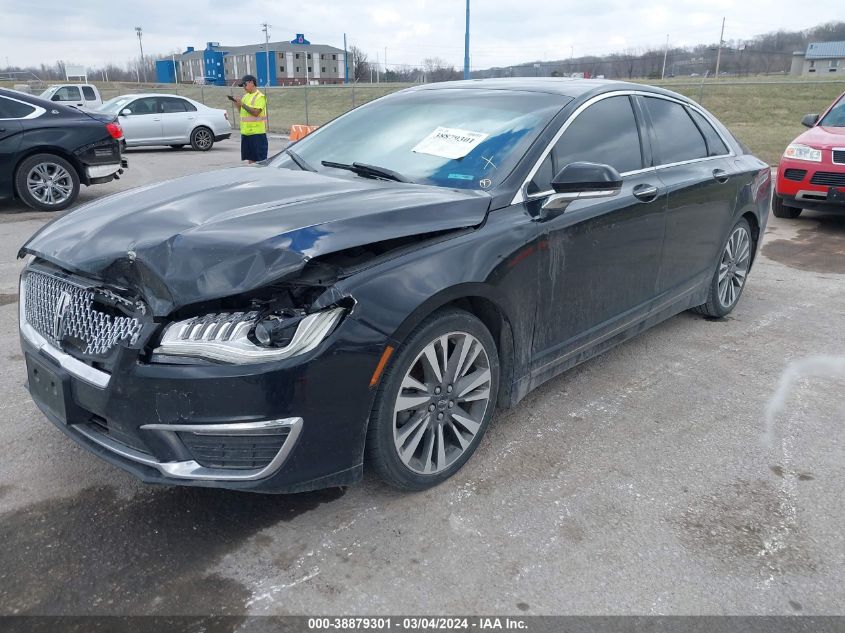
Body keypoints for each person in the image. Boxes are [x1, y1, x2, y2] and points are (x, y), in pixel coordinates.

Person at [233, 74, 268, 163]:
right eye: (242, 86)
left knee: (260, 161)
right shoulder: (245, 96)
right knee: (250, 159)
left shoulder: (260, 96)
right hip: (246, 133)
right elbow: (242, 113)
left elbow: (256, 113)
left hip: (257, 134)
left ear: (251, 83)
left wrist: (242, 104)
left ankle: (260, 177)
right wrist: (238, 105)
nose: (243, 87)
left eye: (244, 85)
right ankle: (252, 176)